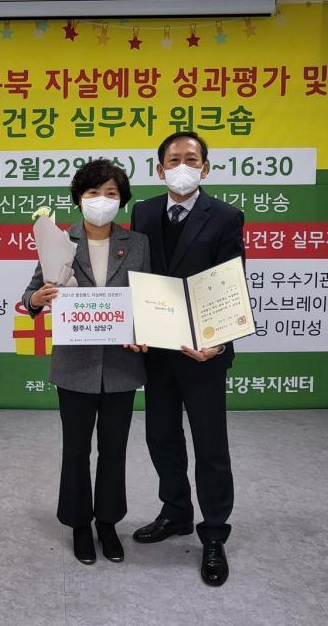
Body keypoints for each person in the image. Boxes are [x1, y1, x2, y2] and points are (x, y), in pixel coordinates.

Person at [130, 131, 245, 587]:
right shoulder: (143, 212)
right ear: (159, 169)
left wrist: (219, 340)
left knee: (210, 446)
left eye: (191, 159)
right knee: (161, 437)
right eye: (173, 159)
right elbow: (137, 274)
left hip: (203, 352)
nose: (182, 167)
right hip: (157, 350)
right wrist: (133, 326)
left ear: (205, 168)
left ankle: (214, 533)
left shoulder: (226, 216)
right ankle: (175, 511)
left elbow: (231, 281)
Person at [22, 159, 151, 565]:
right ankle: (79, 523)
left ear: (122, 200)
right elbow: (30, 296)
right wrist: (37, 299)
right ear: (79, 198)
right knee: (76, 450)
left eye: (111, 193)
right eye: (94, 192)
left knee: (114, 450)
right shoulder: (59, 241)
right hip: (74, 366)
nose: (102, 200)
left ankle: (108, 523)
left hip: (122, 367)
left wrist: (144, 331)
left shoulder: (139, 244)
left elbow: (148, 300)